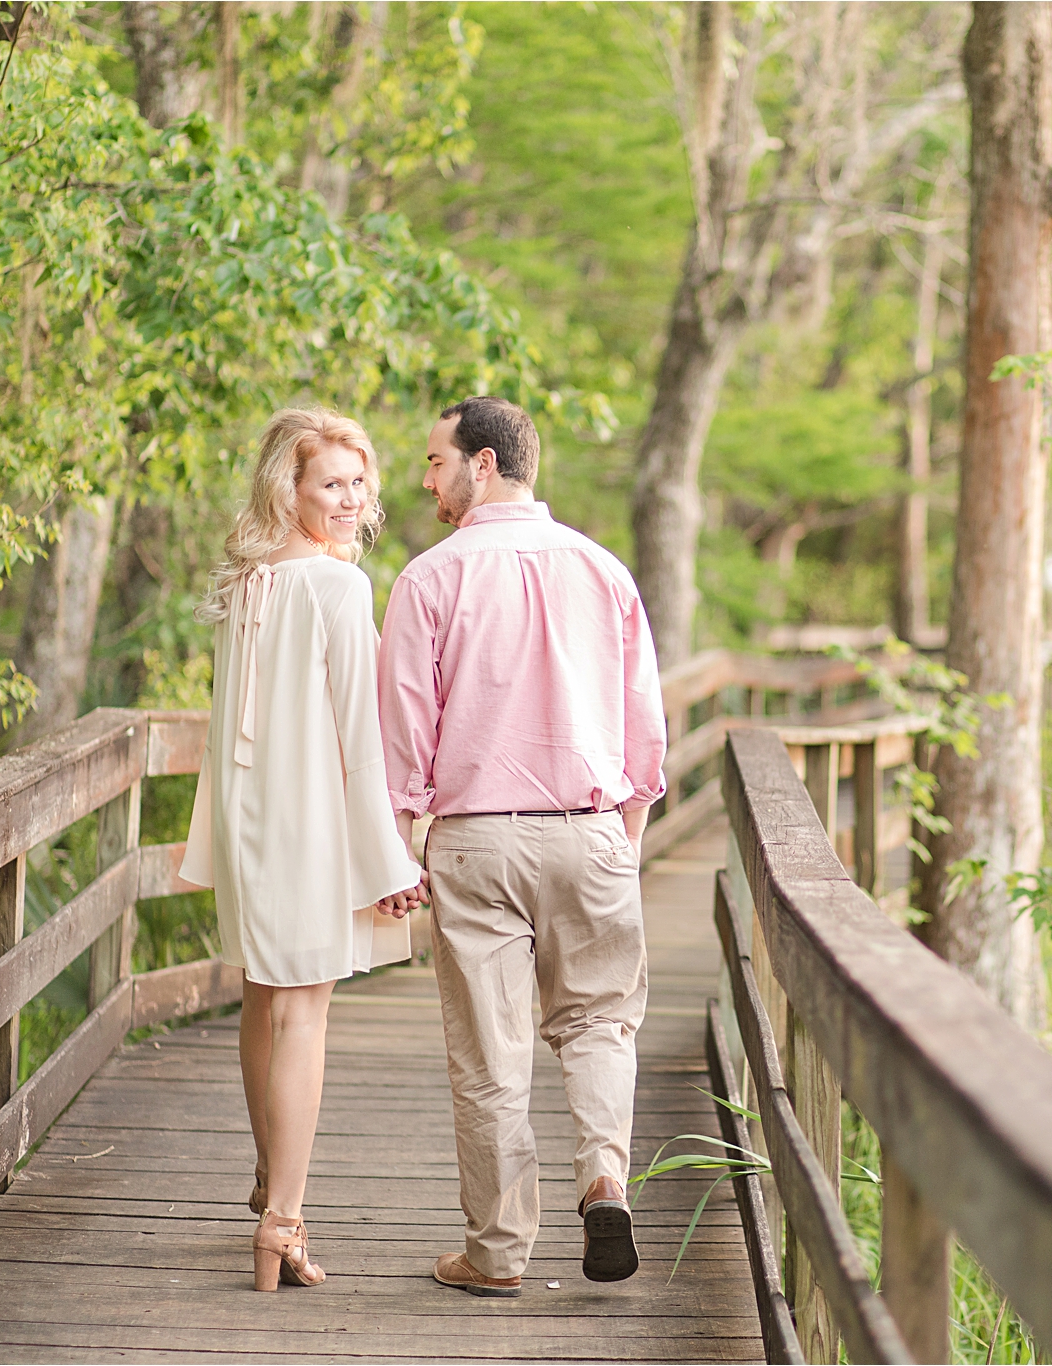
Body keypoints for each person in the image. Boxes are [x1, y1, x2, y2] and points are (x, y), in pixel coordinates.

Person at [378, 395, 667, 1297]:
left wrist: (399, 846)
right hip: (591, 833)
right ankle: (605, 1179)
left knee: (491, 1053)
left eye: (436, 461)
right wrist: (624, 834)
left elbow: (402, 739)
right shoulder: (604, 569)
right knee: (598, 1022)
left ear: (486, 464)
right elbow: (643, 731)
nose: (426, 479)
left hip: (477, 842)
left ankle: (498, 1254)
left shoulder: (430, 579)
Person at [180, 408, 425, 1293]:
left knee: (262, 1001)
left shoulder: (245, 581)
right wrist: (389, 857)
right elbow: (361, 738)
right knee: (303, 1015)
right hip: (311, 820)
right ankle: (282, 1221)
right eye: (333, 483)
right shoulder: (336, 587)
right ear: (289, 486)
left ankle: (266, 1184)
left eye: (361, 482)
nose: (353, 499)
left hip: (251, 821)